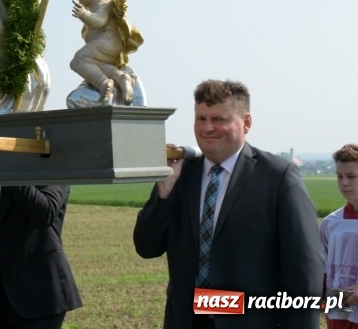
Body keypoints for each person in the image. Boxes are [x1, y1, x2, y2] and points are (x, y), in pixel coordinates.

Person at [133, 79, 323, 328]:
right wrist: (164, 192)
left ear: (246, 123)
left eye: (219, 119)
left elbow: (304, 269)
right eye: (201, 119)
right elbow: (147, 247)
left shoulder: (278, 177)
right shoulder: (180, 174)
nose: (207, 128)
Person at [0, 185, 82, 328]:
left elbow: (45, 214)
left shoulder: (49, 165)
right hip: (4, 302)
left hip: (41, 298)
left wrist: (13, 175)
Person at [67, 0, 143, 105]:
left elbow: (98, 21)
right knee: (98, 65)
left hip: (107, 41)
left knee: (78, 60)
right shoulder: (97, 2)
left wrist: (84, 14)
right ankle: (122, 79)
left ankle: (103, 83)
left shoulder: (104, 4)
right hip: (106, 44)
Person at [321, 143, 358, 328]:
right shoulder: (330, 223)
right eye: (339, 176)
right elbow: (322, 269)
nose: (344, 183)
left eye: (351, 177)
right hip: (339, 314)